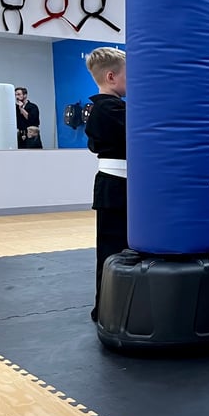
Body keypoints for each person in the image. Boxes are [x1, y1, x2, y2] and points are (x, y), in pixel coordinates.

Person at [84, 47, 128, 322]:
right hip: (115, 188)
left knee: (120, 249)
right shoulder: (109, 109)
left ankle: (115, 307)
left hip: (119, 186)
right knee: (113, 251)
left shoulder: (104, 108)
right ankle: (106, 309)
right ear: (111, 77)